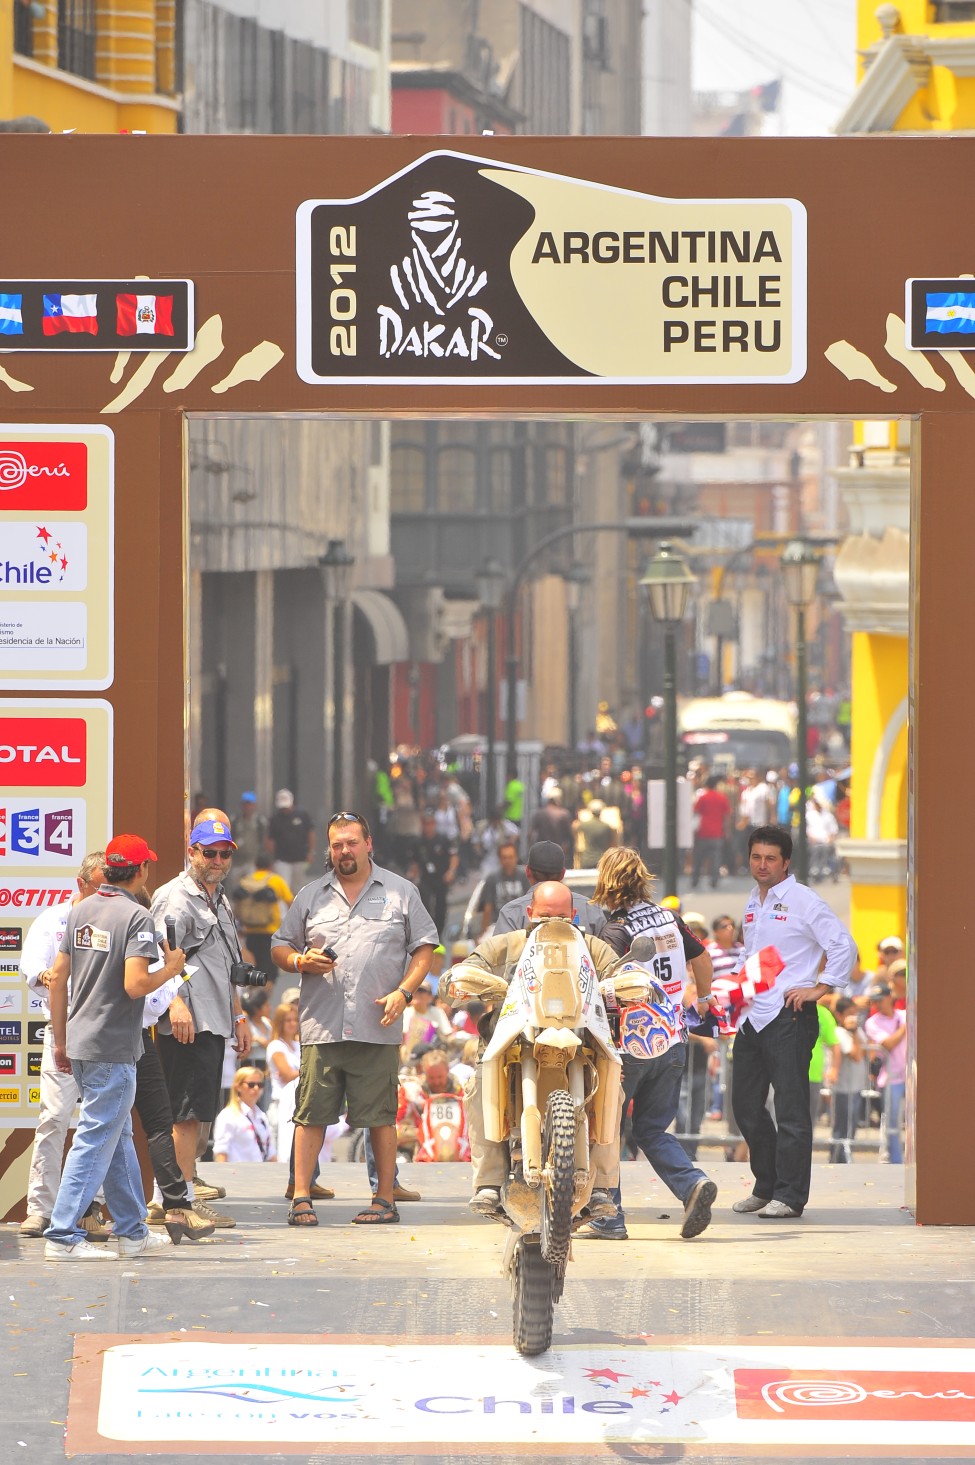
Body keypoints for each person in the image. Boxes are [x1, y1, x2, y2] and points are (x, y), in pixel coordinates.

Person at [270, 811, 438, 1226]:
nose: (344, 851)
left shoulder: (400, 892)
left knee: (380, 1116)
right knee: (309, 1115)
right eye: (336, 844)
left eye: (351, 842)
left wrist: (404, 992)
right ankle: (302, 1197)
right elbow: (279, 945)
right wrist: (298, 960)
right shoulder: (310, 896)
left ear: (368, 844)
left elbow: (424, 948)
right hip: (321, 1024)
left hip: (376, 1024)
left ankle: (384, 1198)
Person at [43, 835, 186, 1261]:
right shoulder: (138, 917)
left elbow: (56, 979)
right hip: (113, 1046)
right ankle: (62, 1234)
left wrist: (62, 1041)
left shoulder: (80, 909)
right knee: (95, 1137)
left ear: (108, 869)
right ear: (140, 871)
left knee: (117, 1135)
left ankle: (132, 1229)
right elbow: (135, 984)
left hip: (83, 1042)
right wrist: (172, 969)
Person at [458, 881, 621, 1220]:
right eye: (545, 916)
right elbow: (472, 965)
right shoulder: (508, 944)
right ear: (530, 913)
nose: (553, 922)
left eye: (561, 916)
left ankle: (602, 1185)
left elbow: (620, 970)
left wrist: (629, 982)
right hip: (513, 1046)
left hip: (580, 1046)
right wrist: (464, 978)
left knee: (613, 1090)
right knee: (478, 1088)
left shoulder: (592, 947)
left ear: (574, 916)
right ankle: (488, 1182)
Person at [584, 847, 718, 1243]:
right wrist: (704, 1001)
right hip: (674, 1039)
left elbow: (602, 987)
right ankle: (692, 1184)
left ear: (606, 882)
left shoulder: (616, 929)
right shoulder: (668, 918)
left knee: (603, 1129)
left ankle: (608, 1216)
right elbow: (703, 958)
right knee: (652, 1128)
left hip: (629, 1045)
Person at [731, 825, 856, 1219]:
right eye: (756, 857)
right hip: (753, 1016)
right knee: (745, 1107)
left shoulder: (804, 900)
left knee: (791, 1110)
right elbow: (752, 956)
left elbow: (843, 946)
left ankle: (789, 1195)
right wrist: (729, 992)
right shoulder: (753, 900)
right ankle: (765, 1187)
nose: (762, 864)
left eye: (770, 858)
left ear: (786, 862)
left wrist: (820, 988)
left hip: (790, 1016)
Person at [151, 817, 251, 1230]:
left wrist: (239, 1013)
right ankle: (178, 1201)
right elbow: (155, 956)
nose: (217, 860)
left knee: (195, 1113)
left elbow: (228, 964)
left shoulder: (219, 897)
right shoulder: (174, 897)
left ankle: (173, 1198)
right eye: (209, 852)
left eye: (224, 853)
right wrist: (174, 1004)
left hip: (213, 1016)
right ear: (191, 851)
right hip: (186, 1020)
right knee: (185, 1114)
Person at [18, 851, 109, 1240]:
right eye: (98, 886)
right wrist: (50, 976)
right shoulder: (53, 920)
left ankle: (92, 1207)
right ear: (80, 883)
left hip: (106, 1032)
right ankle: (41, 1209)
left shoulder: (115, 919)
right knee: (54, 1119)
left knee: (103, 1123)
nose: (104, 894)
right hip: (64, 1029)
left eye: (110, 886)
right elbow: (30, 968)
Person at [493, 840, 606, 936]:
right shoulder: (591, 909)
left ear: (528, 872)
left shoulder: (511, 912)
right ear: (562, 874)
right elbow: (606, 955)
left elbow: (497, 957)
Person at [864, 980, 907, 1165]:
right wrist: (906, 1027)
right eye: (875, 1000)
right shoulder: (872, 1022)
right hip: (891, 1078)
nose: (878, 1004)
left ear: (890, 998)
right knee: (892, 1125)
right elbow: (888, 1044)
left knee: (918, 1124)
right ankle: (896, 1161)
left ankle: (918, 1160)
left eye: (880, 999)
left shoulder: (904, 1015)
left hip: (911, 1076)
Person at [232, 858, 294, 984]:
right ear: (270, 866)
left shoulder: (246, 881)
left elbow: (238, 906)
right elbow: (290, 903)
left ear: (255, 865)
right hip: (270, 932)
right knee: (269, 975)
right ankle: (262, 1002)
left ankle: (254, 999)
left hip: (250, 932)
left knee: (252, 971)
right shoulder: (276, 880)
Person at [406, 810, 459, 941]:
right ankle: (427, 933)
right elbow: (415, 862)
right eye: (425, 824)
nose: (428, 827)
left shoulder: (443, 839)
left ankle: (439, 933)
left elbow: (454, 856)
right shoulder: (418, 842)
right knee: (426, 904)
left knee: (441, 906)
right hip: (426, 879)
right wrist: (412, 875)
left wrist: (451, 871)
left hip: (441, 877)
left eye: (430, 823)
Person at [827, 996, 868, 1163]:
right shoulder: (839, 1033)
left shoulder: (857, 1031)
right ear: (839, 1015)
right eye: (849, 1014)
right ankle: (837, 1158)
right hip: (843, 1089)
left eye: (855, 1014)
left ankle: (844, 1156)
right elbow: (856, 1055)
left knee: (852, 1126)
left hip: (857, 1087)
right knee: (841, 1127)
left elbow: (866, 1050)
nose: (853, 1018)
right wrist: (854, 1034)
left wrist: (856, 1033)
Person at [213, 1067, 276, 1163]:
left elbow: (271, 1153)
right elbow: (221, 1152)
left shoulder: (262, 1116)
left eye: (260, 1085)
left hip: (260, 1173)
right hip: (237, 1174)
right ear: (238, 1087)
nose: (256, 1088)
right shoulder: (228, 1115)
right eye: (251, 1085)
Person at [477, 840, 530, 935]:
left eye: (511, 857)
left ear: (516, 857)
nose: (508, 861)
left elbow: (531, 902)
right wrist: (483, 932)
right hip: (497, 926)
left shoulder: (525, 877)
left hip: (523, 927)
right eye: (504, 857)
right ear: (499, 859)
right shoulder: (492, 879)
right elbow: (487, 908)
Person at [267, 789, 316, 891]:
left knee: (298, 888)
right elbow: (270, 839)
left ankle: (297, 907)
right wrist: (271, 858)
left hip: (300, 858)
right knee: (283, 886)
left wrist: (311, 852)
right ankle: (285, 907)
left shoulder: (302, 814)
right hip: (281, 859)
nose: (284, 809)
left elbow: (310, 833)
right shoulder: (275, 818)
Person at [691, 775, 732, 890]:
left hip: (702, 832)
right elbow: (726, 816)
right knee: (715, 859)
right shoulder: (722, 797)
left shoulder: (703, 797)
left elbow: (695, 811)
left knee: (698, 858)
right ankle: (714, 880)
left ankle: (695, 880)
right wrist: (727, 831)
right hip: (717, 833)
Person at [526, 788, 574, 868]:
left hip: (542, 852)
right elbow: (569, 836)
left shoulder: (539, 813)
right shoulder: (564, 814)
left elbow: (529, 834)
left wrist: (533, 849)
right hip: (558, 852)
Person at [233, 792, 267, 878]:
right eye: (245, 804)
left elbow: (264, 839)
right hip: (237, 861)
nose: (247, 807)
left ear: (254, 805)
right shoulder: (235, 820)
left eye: (249, 804)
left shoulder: (260, 821)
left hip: (253, 861)